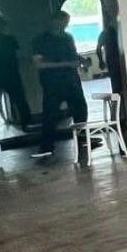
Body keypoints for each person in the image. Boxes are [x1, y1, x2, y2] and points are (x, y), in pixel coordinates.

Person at [30, 10, 87, 158]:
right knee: (50, 114)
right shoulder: (40, 40)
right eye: (62, 22)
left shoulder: (68, 38)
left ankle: (82, 139)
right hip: (52, 83)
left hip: (72, 80)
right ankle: (46, 146)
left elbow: (72, 55)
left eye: (66, 22)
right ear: (53, 21)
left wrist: (81, 60)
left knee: (80, 109)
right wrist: (67, 64)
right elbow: (39, 64)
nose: (64, 25)